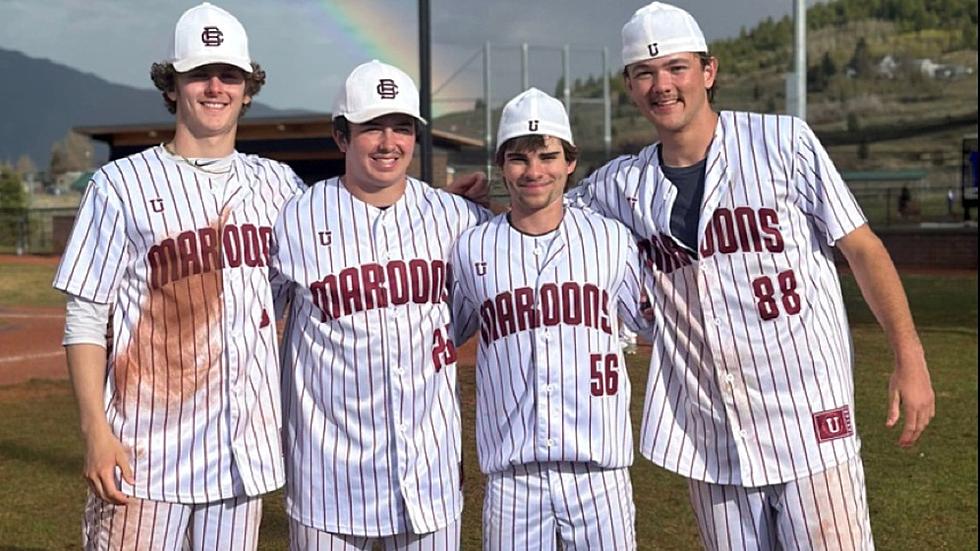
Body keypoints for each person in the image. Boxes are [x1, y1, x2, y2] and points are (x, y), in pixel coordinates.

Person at [563, 3, 934, 548]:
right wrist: (458, 207)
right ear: (630, 85)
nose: (661, 85)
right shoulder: (620, 185)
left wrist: (910, 357)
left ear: (708, 72)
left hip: (808, 415)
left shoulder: (784, 142)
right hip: (709, 431)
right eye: (645, 72)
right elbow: (541, 215)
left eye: (676, 68)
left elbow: (863, 248)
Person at [52, 3, 303, 549]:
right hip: (146, 458)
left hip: (244, 460)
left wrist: (443, 205)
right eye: (199, 73)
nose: (216, 87)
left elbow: (348, 237)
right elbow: (87, 316)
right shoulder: (120, 184)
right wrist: (95, 432)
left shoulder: (279, 185)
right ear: (173, 85)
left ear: (247, 85)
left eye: (230, 74)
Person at [270, 60, 490, 550]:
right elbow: (249, 320)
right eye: (372, 127)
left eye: (402, 128)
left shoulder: (456, 218)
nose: (389, 142)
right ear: (341, 137)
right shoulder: (294, 218)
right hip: (328, 479)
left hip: (429, 476)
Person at [450, 88, 649, 550]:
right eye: (519, 158)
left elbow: (651, 323)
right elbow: (438, 336)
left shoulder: (611, 240)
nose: (534, 171)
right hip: (511, 479)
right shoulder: (472, 247)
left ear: (570, 162)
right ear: (502, 165)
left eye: (547, 156)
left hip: (600, 473)